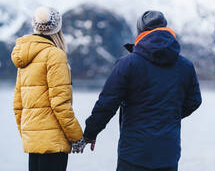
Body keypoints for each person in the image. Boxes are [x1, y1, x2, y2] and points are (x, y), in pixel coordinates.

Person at [76, 10, 202, 171]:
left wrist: (89, 134)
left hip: (133, 154)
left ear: (140, 33)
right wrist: (169, 114)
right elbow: (194, 101)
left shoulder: (127, 64)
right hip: (168, 154)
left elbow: (107, 104)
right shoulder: (185, 66)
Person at [11, 6, 83, 171]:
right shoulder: (55, 55)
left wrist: (30, 136)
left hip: (34, 144)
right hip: (53, 144)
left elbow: (17, 105)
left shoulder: (24, 57)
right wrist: (77, 137)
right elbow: (60, 104)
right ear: (57, 28)